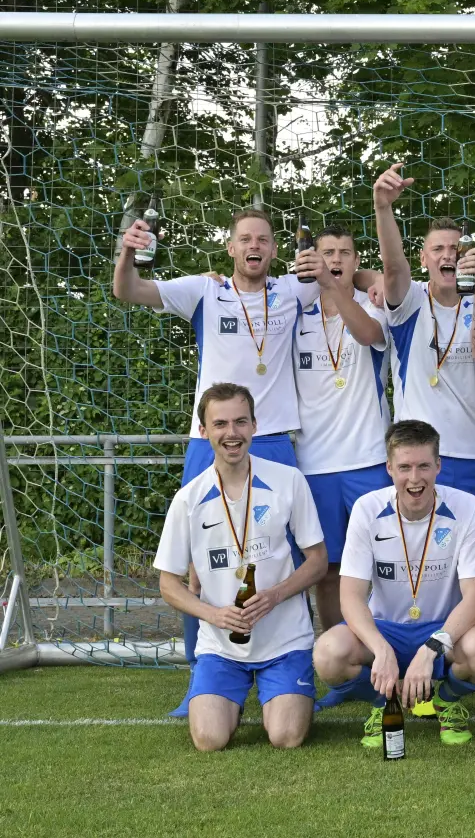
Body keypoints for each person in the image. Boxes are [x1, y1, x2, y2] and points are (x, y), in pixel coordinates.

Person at [115, 207, 325, 714]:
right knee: (197, 564)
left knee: (291, 560)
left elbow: (353, 274)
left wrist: (350, 271)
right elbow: (128, 290)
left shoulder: (294, 290)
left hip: (273, 439)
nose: (255, 246)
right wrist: (127, 249)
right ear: (230, 248)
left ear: (275, 249)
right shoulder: (204, 290)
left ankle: (291, 667)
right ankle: (203, 673)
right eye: (245, 239)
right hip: (208, 439)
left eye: (264, 239)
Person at [153, 383, 327, 751]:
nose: (231, 433)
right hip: (221, 646)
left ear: (254, 426)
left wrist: (275, 595)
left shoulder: (288, 481)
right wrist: (213, 615)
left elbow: (318, 561)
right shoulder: (188, 499)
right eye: (220, 424)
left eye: (240, 422)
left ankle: (280, 690)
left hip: (284, 641)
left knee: (286, 736)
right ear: (204, 432)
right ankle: (222, 691)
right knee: (209, 740)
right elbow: (168, 584)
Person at [311, 419, 475, 748]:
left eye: (424, 466)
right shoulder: (367, 509)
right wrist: (381, 650)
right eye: (405, 467)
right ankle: (382, 702)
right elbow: (351, 598)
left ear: (438, 466)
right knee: (327, 654)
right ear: (389, 468)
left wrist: (431, 649)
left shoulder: (465, 507)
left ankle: (446, 700)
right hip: (387, 628)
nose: (415, 479)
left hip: (445, 630)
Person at [372, 163, 475, 510]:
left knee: (474, 556)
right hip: (417, 458)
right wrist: (383, 207)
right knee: (418, 552)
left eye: (455, 249)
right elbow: (392, 267)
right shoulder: (409, 299)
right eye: (438, 249)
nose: (448, 255)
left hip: (472, 451)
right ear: (424, 258)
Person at [290, 227, 392, 642]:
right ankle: (343, 659)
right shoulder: (295, 314)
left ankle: (387, 653)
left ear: (355, 262)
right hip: (314, 465)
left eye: (344, 253)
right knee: (328, 571)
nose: (336, 258)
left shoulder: (377, 306)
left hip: (368, 461)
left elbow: (369, 335)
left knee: (384, 566)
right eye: (327, 252)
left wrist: (340, 285)